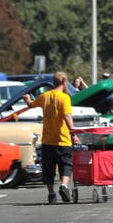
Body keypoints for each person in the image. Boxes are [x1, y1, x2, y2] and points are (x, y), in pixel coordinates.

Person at [24, 71, 75, 204]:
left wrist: (27, 99)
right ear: (64, 82)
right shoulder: (64, 98)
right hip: (62, 139)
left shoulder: (44, 96)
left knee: (49, 168)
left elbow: (31, 105)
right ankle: (63, 186)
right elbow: (67, 116)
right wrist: (73, 133)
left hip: (47, 140)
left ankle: (51, 193)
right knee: (66, 165)